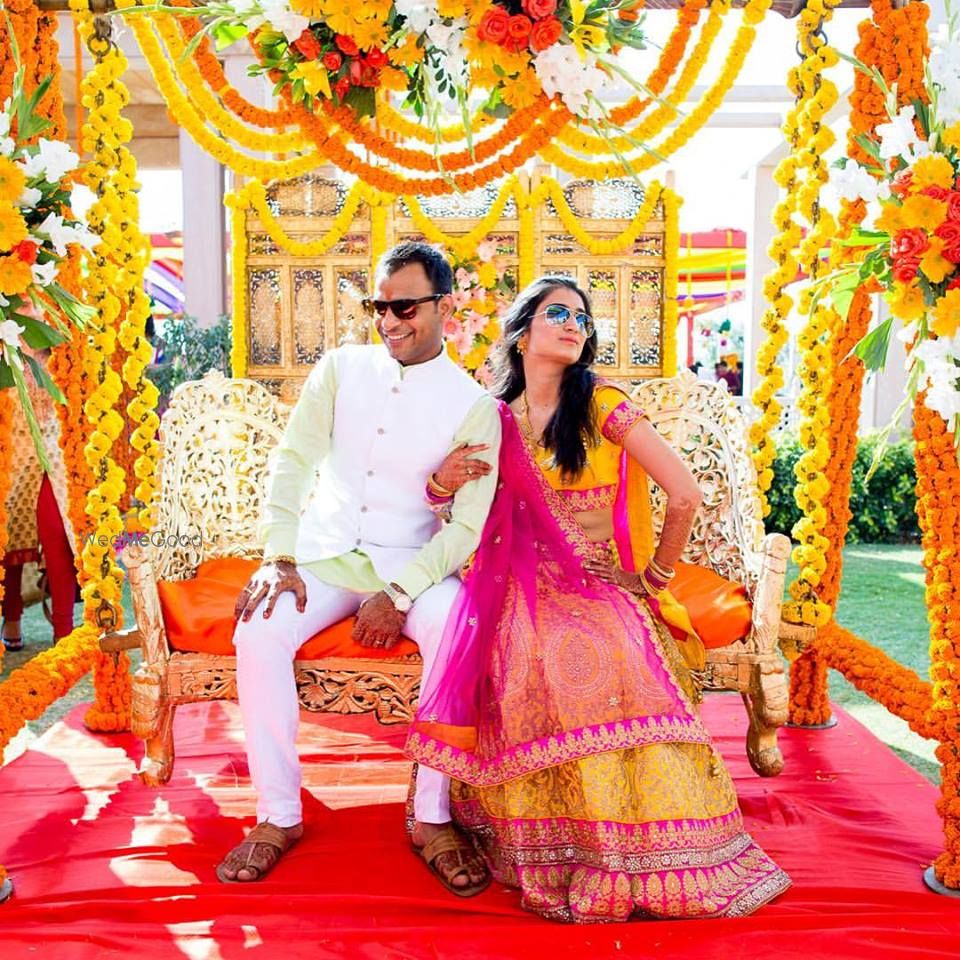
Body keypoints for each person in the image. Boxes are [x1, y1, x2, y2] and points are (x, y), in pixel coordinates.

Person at [407, 277, 790, 922]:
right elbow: (448, 505)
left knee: (609, 652)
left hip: (595, 585)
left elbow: (686, 493)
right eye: (558, 313)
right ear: (523, 330)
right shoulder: (492, 415)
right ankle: (555, 839)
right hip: (509, 585)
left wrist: (654, 578)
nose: (575, 326)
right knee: (526, 651)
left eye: (583, 319)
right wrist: (440, 481)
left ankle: (634, 844)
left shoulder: (602, 405)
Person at [216, 242, 501, 896]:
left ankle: (431, 816)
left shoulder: (473, 404)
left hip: (413, 564)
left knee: (455, 624)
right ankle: (278, 815)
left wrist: (399, 594)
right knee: (258, 628)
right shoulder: (341, 369)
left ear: (445, 303)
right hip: (324, 553)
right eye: (379, 306)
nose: (389, 320)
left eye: (404, 306)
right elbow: (294, 460)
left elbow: (465, 527)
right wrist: (277, 554)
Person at [2, 353, 78, 651]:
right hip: (13, 443)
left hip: (54, 445)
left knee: (58, 535)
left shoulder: (54, 320)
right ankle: (12, 619)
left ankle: (64, 631)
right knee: (11, 539)